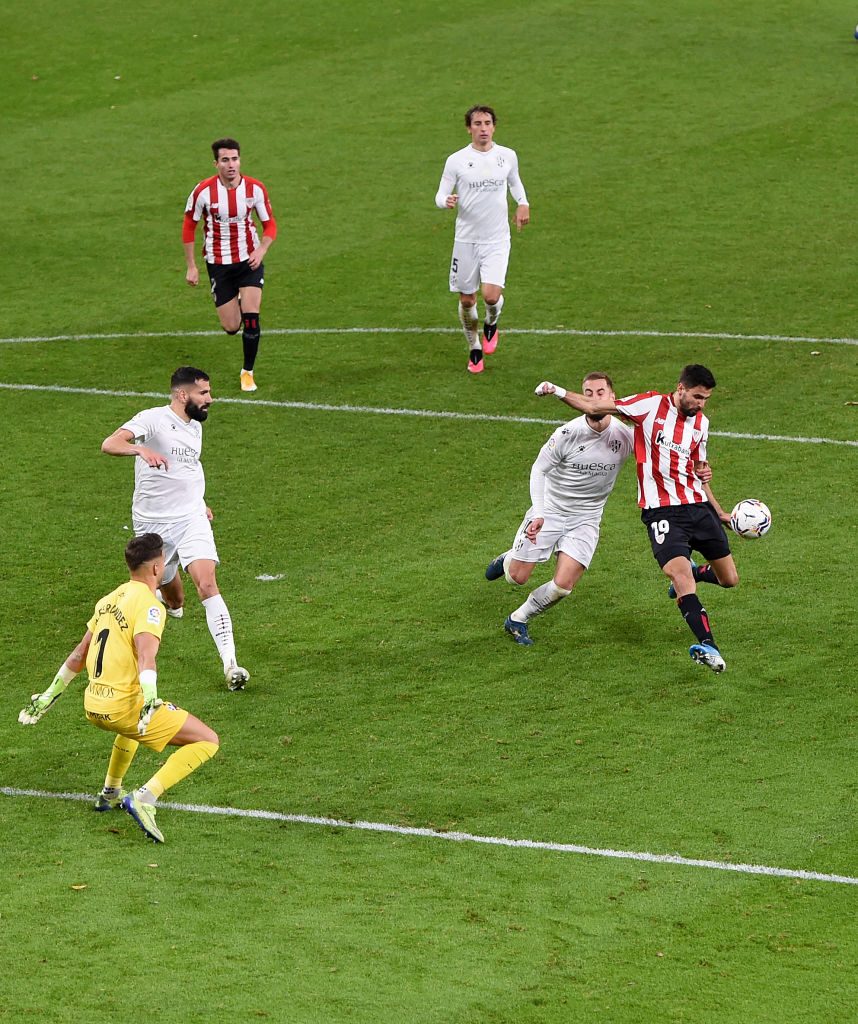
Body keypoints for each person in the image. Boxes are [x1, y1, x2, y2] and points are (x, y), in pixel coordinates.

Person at [535, 365, 739, 672]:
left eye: (706, 399)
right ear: (680, 388)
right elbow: (594, 406)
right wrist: (557, 390)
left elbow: (699, 469)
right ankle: (709, 646)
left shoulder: (701, 423)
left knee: (729, 579)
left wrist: (719, 510)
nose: (701, 404)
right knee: (680, 578)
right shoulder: (649, 405)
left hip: (698, 507)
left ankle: (696, 572)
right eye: (697, 397)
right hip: (662, 513)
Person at [18, 534, 219, 844]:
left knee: (131, 722)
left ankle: (110, 791)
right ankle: (145, 797)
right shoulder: (150, 606)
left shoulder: (108, 600)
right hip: (123, 708)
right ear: (156, 568)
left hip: (93, 705)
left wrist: (49, 695)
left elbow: (79, 654)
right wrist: (151, 698)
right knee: (207, 740)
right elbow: (146, 656)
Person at [101, 366, 250, 691]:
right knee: (176, 600)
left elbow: (187, 467)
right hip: (153, 524)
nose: (210, 399)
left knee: (207, 585)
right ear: (183, 395)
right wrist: (140, 448)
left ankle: (231, 665)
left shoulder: (195, 425)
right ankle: (169, 601)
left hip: (191, 518)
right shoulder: (152, 419)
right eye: (203, 393)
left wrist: (199, 502)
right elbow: (109, 443)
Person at [485, 373, 634, 645]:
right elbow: (539, 469)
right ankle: (509, 558)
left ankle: (518, 619)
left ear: (613, 397)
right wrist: (539, 512)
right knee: (517, 577)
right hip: (551, 511)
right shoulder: (567, 434)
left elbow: (658, 459)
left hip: (587, 518)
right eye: (588, 393)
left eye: (600, 392)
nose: (594, 399)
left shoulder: (625, 436)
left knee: (563, 586)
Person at [435, 105, 530, 374]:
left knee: (491, 296)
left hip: (497, 239)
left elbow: (514, 182)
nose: (483, 128)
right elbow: (440, 195)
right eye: (477, 124)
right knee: (467, 300)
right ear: (469, 128)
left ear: (494, 126)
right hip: (466, 240)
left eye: (487, 123)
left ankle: (491, 322)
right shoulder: (456, 160)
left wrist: (523, 203)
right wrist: (446, 201)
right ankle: (474, 347)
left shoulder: (507, 156)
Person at [183, 137, 277, 393]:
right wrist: (191, 266)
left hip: (249, 260)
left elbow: (270, 225)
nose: (231, 164)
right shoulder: (203, 191)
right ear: (216, 163)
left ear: (240, 160)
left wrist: (262, 249)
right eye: (225, 160)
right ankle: (237, 302)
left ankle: (247, 372)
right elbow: (189, 227)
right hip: (219, 264)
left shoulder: (255, 189)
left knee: (252, 317)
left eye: (234, 159)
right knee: (231, 327)